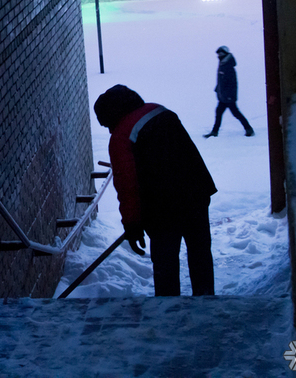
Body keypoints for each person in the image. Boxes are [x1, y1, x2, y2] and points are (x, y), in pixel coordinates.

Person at [94, 84, 216, 296]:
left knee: (165, 266)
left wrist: (132, 224)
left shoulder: (121, 137)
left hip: (162, 210)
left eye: (106, 125)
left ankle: (168, 314)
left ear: (111, 115)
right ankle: (207, 306)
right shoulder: (160, 110)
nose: (109, 130)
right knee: (200, 254)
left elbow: (127, 186)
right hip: (196, 194)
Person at [204, 46, 254, 138]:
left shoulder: (228, 66)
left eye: (221, 53)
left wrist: (229, 96)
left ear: (225, 54)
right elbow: (222, 80)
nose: (219, 55)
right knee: (219, 112)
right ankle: (214, 132)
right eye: (218, 54)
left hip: (228, 97)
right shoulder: (222, 64)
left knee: (235, 113)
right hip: (223, 96)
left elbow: (232, 83)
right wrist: (217, 89)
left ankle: (249, 129)